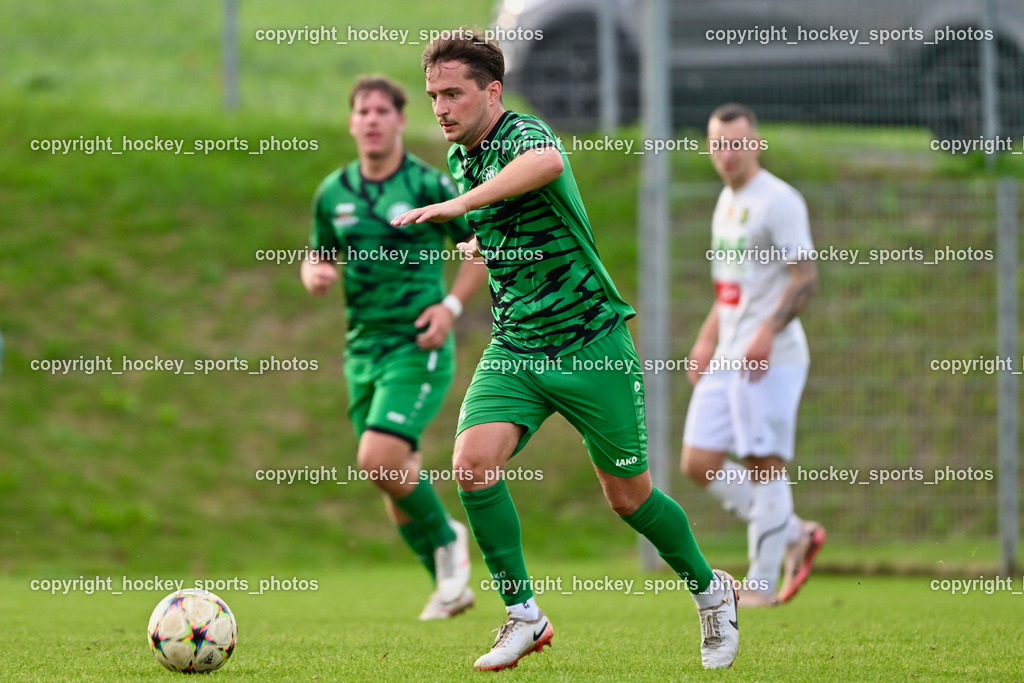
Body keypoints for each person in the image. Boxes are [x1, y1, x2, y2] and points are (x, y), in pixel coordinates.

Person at [393, 30, 739, 671]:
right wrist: (477, 244)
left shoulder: (522, 135)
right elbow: (511, 231)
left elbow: (547, 165)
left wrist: (460, 206)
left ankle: (710, 589)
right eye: (432, 95)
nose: (439, 107)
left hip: (591, 346)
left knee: (627, 498)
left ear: (492, 92)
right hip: (518, 349)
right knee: (471, 465)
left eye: (453, 94)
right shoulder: (463, 156)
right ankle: (524, 614)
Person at [301, 76, 487, 620]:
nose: (374, 120)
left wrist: (450, 308)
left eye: (384, 111)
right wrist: (315, 271)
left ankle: (450, 539)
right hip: (361, 350)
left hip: (417, 344)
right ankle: (448, 588)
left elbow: (478, 249)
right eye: (364, 111)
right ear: (353, 122)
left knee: (379, 458)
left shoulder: (429, 184)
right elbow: (319, 254)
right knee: (391, 476)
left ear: (401, 121)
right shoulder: (332, 192)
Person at [680, 103, 826, 607]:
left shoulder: (779, 201)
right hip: (728, 353)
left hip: (772, 357)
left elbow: (804, 277)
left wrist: (768, 329)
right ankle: (794, 533)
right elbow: (731, 289)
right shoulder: (726, 200)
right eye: (718, 144)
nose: (727, 153)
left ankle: (761, 585)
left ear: (756, 142)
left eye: (736, 142)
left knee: (765, 464)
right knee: (698, 460)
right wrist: (705, 339)